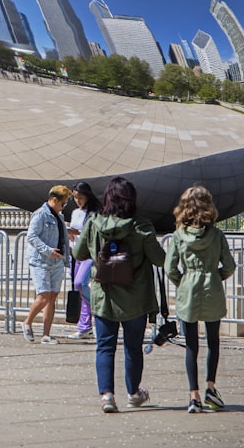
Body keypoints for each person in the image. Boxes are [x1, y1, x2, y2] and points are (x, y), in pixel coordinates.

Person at [72, 176, 166, 413]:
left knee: (105, 347)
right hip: (135, 297)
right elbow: (159, 259)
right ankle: (134, 393)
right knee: (133, 348)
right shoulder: (141, 226)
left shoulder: (94, 223)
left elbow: (79, 253)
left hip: (105, 295)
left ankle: (107, 396)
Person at [164, 185, 236, 414]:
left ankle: (193, 395)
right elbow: (230, 266)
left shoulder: (178, 236)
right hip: (212, 288)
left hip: (188, 290)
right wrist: (215, 276)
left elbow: (170, 268)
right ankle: (211, 388)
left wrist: (183, 282)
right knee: (213, 342)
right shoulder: (216, 235)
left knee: (191, 346)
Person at [21, 184, 72, 345]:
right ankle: (27, 322)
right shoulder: (41, 214)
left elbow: (61, 234)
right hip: (40, 261)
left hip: (56, 261)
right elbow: (32, 236)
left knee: (52, 297)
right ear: (53, 200)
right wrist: (47, 250)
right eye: (62, 203)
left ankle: (46, 334)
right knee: (43, 296)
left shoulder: (59, 216)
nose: (63, 207)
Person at [66, 181, 101, 340]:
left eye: (80, 197)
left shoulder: (94, 213)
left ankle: (95, 310)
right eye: (75, 197)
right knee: (79, 287)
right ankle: (85, 326)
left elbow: (91, 232)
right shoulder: (75, 212)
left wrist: (77, 231)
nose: (77, 200)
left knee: (79, 284)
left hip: (88, 254)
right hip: (76, 252)